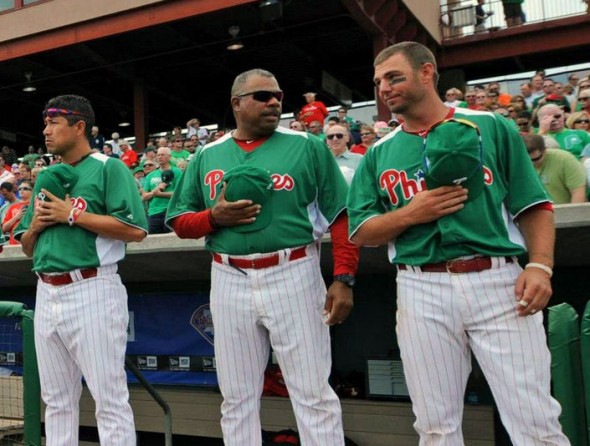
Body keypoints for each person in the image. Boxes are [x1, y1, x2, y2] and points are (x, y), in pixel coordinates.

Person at [347, 41, 570, 445]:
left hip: (498, 281)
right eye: (379, 81)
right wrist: (410, 214)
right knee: (434, 425)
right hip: (421, 286)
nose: (384, 88)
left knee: (534, 419)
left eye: (394, 77)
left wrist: (540, 264)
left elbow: (533, 205)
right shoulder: (379, 152)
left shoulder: (491, 126)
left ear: (427, 73)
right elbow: (360, 232)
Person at [166, 68, 358, 446]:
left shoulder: (306, 145)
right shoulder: (208, 154)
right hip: (228, 275)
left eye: (278, 96)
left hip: (294, 270)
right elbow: (179, 220)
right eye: (262, 96)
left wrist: (344, 276)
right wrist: (213, 218)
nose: (274, 102)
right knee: (236, 398)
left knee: (313, 393)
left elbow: (341, 213)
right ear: (236, 104)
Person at [16, 95, 148, 446]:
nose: (46, 130)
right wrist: (37, 226)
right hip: (47, 289)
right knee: (56, 400)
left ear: (79, 127)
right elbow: (27, 245)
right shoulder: (46, 175)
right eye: (45, 123)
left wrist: (70, 214)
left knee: (109, 396)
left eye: (53, 123)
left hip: (92, 286)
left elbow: (135, 230)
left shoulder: (108, 167)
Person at [523, 133, 586, 204]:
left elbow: (578, 194)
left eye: (536, 159)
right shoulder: (517, 162)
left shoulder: (565, 159)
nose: (532, 163)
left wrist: (572, 214)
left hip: (564, 210)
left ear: (545, 150)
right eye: (527, 160)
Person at [142, 146, 182, 234]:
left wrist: (160, 194)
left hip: (171, 211)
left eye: (162, 155)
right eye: (158, 155)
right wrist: (155, 192)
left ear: (169, 157)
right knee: (152, 242)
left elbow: (179, 193)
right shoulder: (150, 175)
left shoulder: (177, 172)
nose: (160, 157)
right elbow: (144, 197)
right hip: (153, 213)